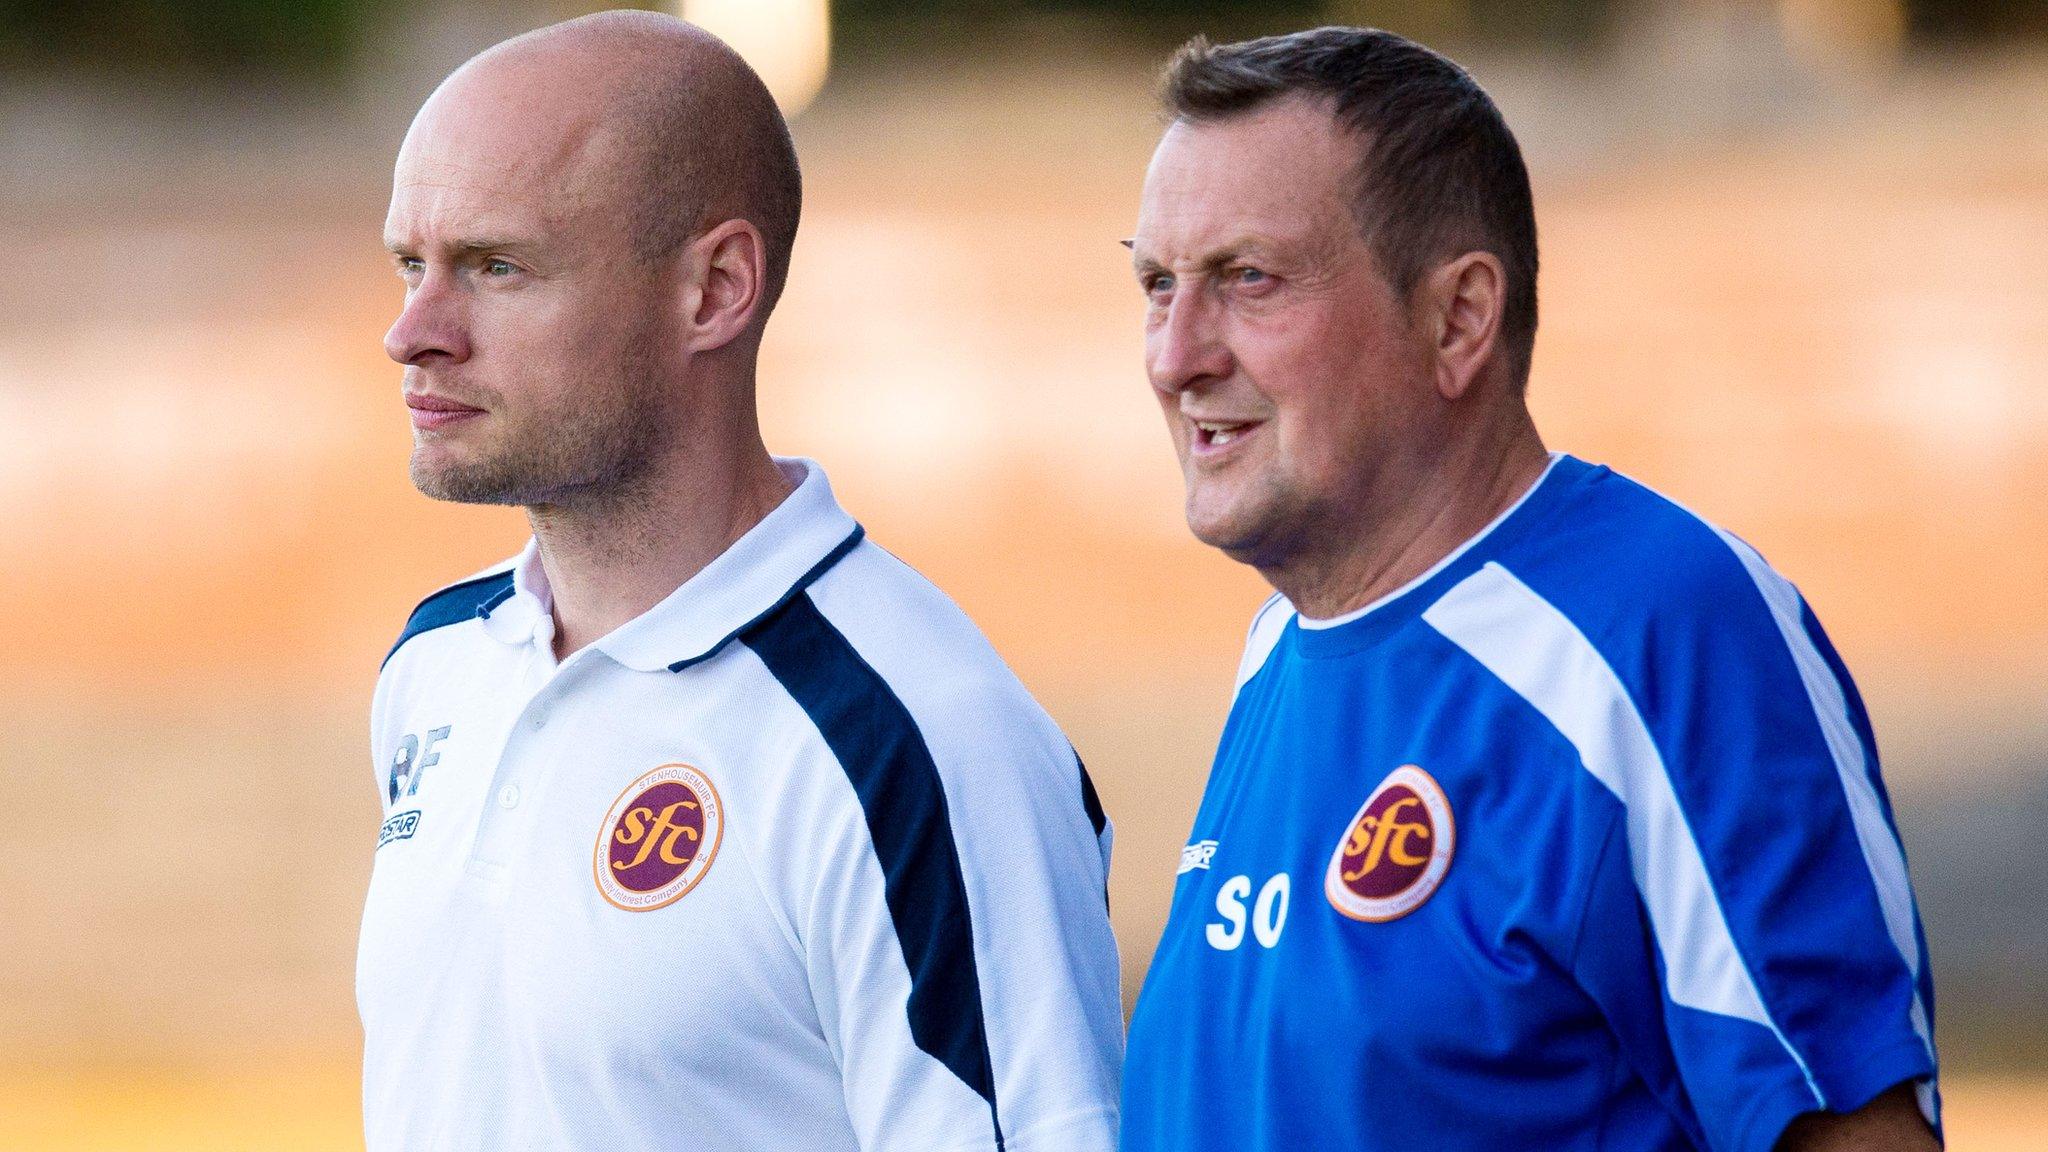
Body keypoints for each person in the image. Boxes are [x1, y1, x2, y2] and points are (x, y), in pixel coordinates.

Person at [1117, 26, 1939, 1152]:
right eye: (1157, 284)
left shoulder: (1657, 628)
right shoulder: (1281, 645)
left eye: (1245, 278)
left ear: (1456, 318)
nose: (1173, 355)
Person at [359, 12, 1120, 1150]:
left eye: (497, 267)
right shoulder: (438, 662)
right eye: (412, 264)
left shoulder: (911, 737)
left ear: (715, 289)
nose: (412, 331)